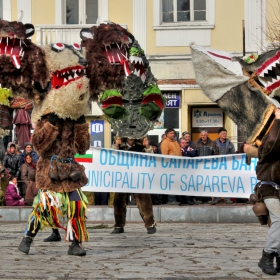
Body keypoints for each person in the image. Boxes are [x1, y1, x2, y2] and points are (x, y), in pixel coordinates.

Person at [249, 108, 280, 275]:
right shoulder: (267, 139)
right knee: (279, 221)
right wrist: (278, 120)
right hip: (270, 187)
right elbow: (271, 144)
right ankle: (267, 256)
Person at [111, 136, 157, 234]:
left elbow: (152, 158)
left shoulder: (141, 147)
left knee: (144, 201)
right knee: (118, 202)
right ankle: (119, 225)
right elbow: (111, 157)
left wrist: (147, 147)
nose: (131, 138)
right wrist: (116, 145)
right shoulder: (120, 146)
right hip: (123, 178)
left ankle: (150, 224)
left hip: (138, 177)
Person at [210, 128, 236, 205]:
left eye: (225, 133)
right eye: (223, 133)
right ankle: (216, 198)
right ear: (219, 134)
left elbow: (233, 154)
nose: (225, 135)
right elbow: (211, 154)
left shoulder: (230, 144)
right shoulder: (213, 143)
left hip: (227, 166)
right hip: (217, 166)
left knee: (226, 181)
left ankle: (227, 199)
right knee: (217, 182)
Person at [161, 128, 182, 205]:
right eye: (171, 133)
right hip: (170, 166)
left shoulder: (175, 142)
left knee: (176, 183)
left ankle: (176, 199)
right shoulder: (165, 142)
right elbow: (165, 155)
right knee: (171, 183)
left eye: (173, 133)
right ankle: (171, 199)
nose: (173, 134)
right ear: (166, 135)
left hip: (177, 166)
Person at [179, 137, 196, 205]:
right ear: (180, 143)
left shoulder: (190, 148)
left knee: (188, 185)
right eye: (182, 143)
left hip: (189, 171)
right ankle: (182, 200)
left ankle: (189, 199)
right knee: (181, 185)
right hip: (180, 170)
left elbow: (193, 154)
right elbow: (181, 155)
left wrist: (186, 153)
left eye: (185, 143)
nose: (184, 144)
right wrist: (187, 154)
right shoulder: (178, 149)